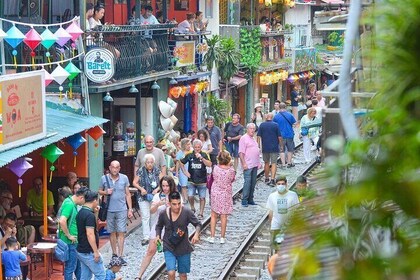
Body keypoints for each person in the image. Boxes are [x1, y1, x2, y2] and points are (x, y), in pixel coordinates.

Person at [136, 176, 178, 279]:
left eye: (167, 186)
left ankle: (173, 271)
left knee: (172, 251)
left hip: (171, 227)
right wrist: (159, 203)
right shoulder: (157, 196)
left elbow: (179, 211)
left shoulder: (176, 196)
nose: (165, 188)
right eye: (163, 186)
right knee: (150, 251)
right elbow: (152, 211)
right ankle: (139, 276)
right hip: (158, 226)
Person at [155, 191, 202, 280]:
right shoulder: (163, 213)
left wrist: (196, 234)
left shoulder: (186, 212)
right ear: (169, 203)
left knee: (183, 274)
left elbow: (198, 224)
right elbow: (159, 226)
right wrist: (158, 236)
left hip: (183, 247)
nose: (177, 207)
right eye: (174, 204)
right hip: (168, 245)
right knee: (171, 272)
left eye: (179, 203)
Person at [99, 161, 133, 265]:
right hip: (109, 209)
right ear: (109, 168)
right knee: (112, 232)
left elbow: (127, 194)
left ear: (119, 168)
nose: (115, 169)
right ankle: (114, 254)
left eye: (117, 167)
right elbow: (99, 191)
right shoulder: (104, 178)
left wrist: (130, 209)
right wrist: (106, 192)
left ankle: (120, 255)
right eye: (113, 167)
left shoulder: (124, 178)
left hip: (122, 208)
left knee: (121, 232)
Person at [58, 186, 89, 280]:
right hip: (70, 242)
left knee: (77, 266)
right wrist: (69, 235)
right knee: (70, 267)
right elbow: (62, 221)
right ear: (81, 197)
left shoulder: (70, 202)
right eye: (85, 201)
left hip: (74, 241)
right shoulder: (70, 204)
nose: (84, 203)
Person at [76, 190, 106, 279]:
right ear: (94, 201)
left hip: (81, 249)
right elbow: (90, 234)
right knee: (101, 275)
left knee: (86, 276)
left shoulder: (81, 213)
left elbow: (92, 227)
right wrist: (95, 252)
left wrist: (95, 213)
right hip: (88, 251)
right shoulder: (89, 215)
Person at [208, 151, 235, 244]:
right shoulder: (231, 170)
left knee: (213, 215)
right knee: (224, 216)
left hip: (215, 192)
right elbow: (232, 179)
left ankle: (212, 236)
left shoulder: (215, 168)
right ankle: (222, 237)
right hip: (225, 193)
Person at [132, 154, 160, 246]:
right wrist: (141, 189)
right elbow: (134, 182)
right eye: (148, 162)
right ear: (145, 163)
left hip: (154, 196)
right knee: (145, 216)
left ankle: (153, 234)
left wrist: (157, 189)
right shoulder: (140, 171)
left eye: (151, 162)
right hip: (143, 196)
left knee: (154, 215)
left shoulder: (157, 170)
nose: (150, 164)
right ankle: (146, 237)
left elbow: (163, 181)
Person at [179, 140, 212, 219]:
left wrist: (202, 158)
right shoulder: (189, 155)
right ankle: (192, 208)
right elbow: (181, 162)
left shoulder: (204, 154)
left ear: (201, 147)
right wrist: (185, 172)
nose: (197, 149)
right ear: (193, 147)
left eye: (199, 147)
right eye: (195, 147)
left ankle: (201, 213)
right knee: (190, 196)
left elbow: (209, 164)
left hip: (202, 181)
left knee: (202, 197)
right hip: (191, 180)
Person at [266, 176, 299, 250]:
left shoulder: (293, 195)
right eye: (279, 184)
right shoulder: (272, 196)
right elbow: (270, 212)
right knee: (276, 248)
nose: (281, 186)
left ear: (286, 184)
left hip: (289, 226)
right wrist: (271, 225)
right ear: (276, 185)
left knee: (288, 248)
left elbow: (296, 210)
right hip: (276, 225)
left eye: (283, 184)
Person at [238, 123, 260, 207]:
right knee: (247, 182)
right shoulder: (244, 138)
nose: (252, 130)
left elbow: (256, 151)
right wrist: (243, 163)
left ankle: (250, 199)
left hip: (254, 164)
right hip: (247, 164)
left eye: (254, 129)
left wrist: (258, 162)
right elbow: (241, 152)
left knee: (253, 182)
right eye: (251, 128)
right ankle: (244, 199)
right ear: (247, 129)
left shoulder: (253, 139)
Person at [257, 113, 282, 185]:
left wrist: (258, 146)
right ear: (272, 117)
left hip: (265, 147)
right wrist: (281, 145)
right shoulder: (276, 125)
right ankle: (273, 179)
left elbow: (258, 136)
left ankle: (267, 178)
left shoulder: (262, 125)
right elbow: (279, 137)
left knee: (266, 162)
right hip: (274, 147)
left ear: (266, 117)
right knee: (274, 163)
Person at [273, 102, 297, 168]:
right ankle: (289, 163)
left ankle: (283, 164)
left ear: (279, 107)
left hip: (280, 136)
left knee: (281, 150)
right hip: (290, 134)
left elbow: (274, 126)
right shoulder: (290, 115)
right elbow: (294, 124)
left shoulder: (276, 116)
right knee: (290, 149)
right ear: (285, 107)